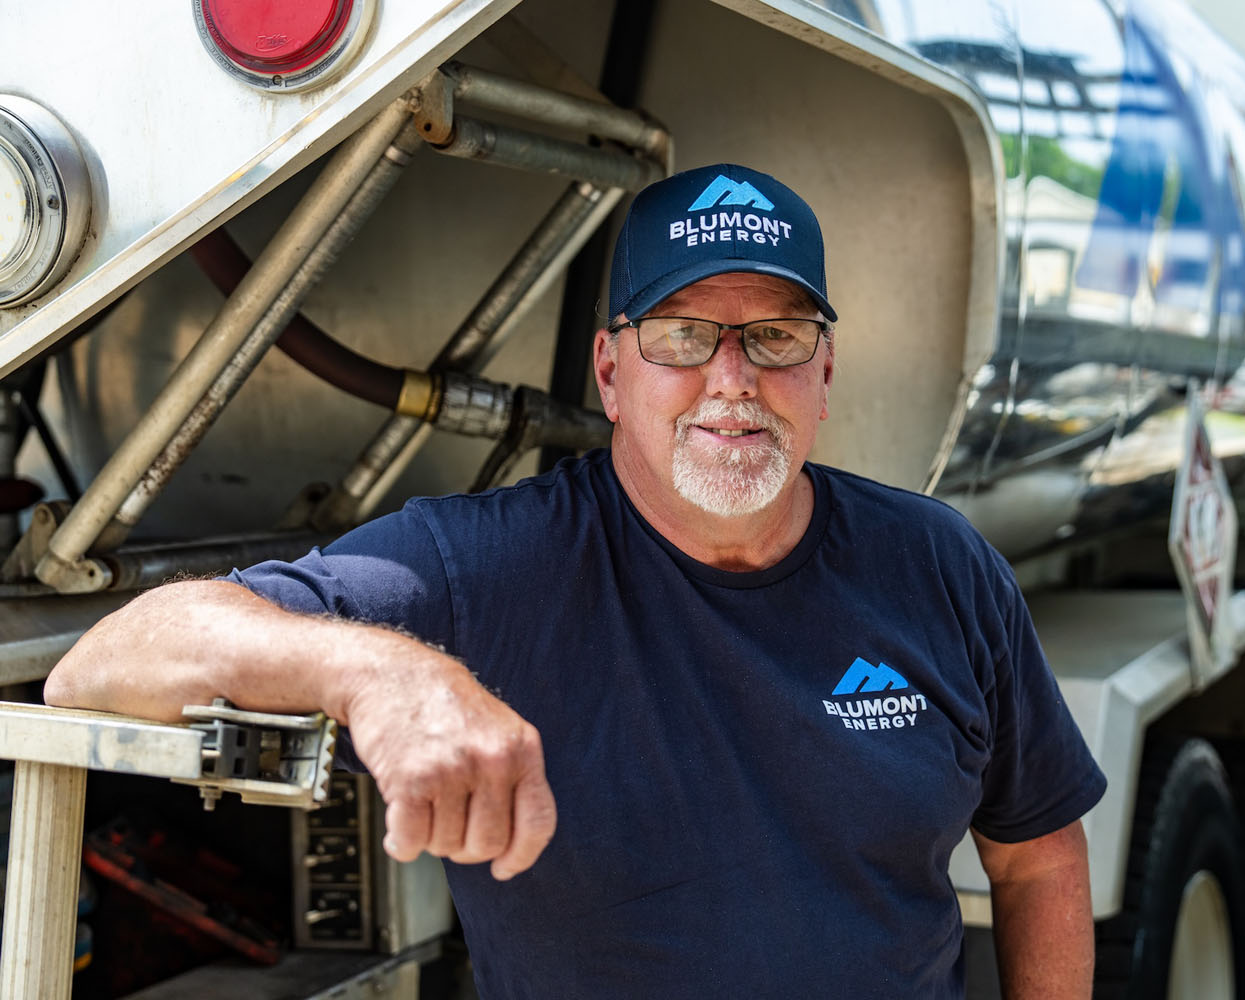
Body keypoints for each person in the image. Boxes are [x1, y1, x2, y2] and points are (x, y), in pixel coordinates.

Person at [45, 163, 1106, 998]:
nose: (732, 378)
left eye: (775, 336)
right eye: (684, 335)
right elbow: (106, 662)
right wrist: (381, 676)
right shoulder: (485, 569)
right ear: (610, 371)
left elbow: (1037, 861)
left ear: (823, 372)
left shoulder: (939, 565)